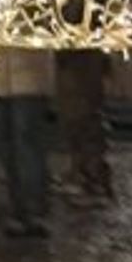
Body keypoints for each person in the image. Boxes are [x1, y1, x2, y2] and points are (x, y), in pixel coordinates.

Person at [0, 45, 54, 237]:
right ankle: (17, 209)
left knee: (28, 139)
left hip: (28, 71)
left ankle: (35, 209)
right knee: (4, 142)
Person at [54, 48, 113, 200]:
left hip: (80, 64)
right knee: (80, 122)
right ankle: (85, 174)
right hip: (81, 64)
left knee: (83, 122)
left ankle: (90, 178)